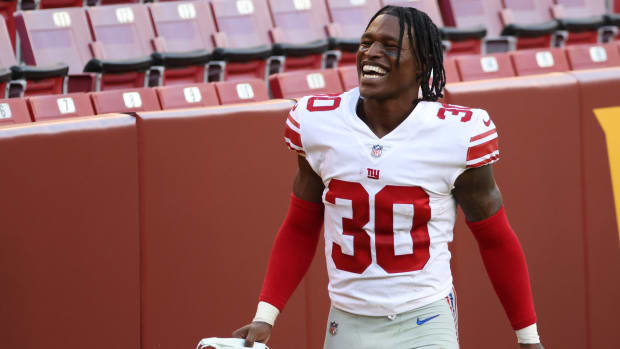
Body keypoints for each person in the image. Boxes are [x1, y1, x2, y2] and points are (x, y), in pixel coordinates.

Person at [233, 5, 544, 349]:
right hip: (348, 319)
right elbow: (301, 224)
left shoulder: (458, 134)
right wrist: (265, 316)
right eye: (367, 42)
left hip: (425, 317)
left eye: (390, 45)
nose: (372, 52)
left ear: (423, 63)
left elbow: (495, 237)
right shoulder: (319, 123)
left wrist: (527, 338)